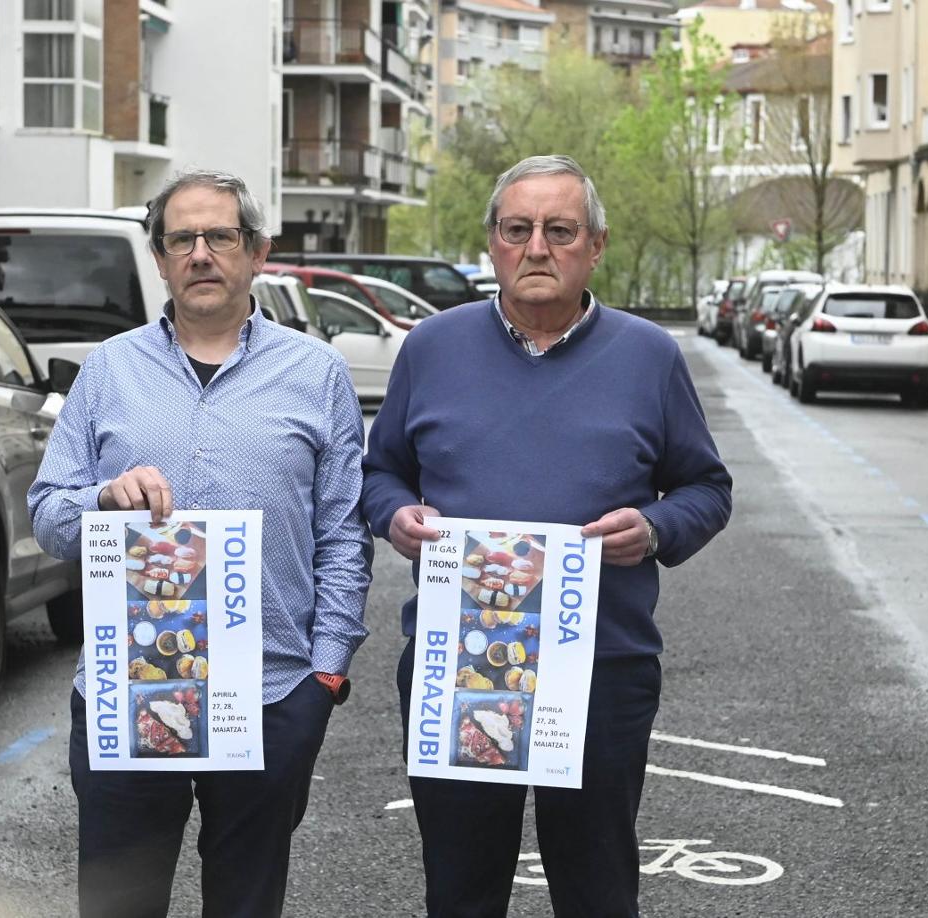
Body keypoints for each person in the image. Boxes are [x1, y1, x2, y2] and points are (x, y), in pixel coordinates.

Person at [361, 154, 733, 918]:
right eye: (518, 229)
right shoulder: (431, 349)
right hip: (457, 670)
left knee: (595, 891)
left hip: (601, 670)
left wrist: (656, 527)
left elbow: (707, 488)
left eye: (559, 230)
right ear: (492, 244)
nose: (538, 248)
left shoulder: (649, 356)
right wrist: (394, 516)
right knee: (462, 891)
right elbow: (380, 473)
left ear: (595, 246)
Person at [28, 169, 372, 918]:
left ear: (257, 251)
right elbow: (49, 517)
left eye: (220, 236)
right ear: (159, 257)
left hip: (272, 693)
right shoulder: (109, 372)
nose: (201, 254)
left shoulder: (316, 375)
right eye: (182, 239)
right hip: (129, 692)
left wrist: (325, 679)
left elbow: (344, 535)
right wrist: (101, 500)